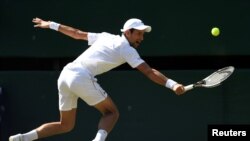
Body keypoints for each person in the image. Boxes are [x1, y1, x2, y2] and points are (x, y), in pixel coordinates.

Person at [9, 17, 185, 141]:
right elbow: (148, 71)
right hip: (80, 76)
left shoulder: (106, 36)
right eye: (139, 33)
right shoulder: (127, 49)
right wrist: (172, 84)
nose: (142, 38)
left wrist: (52, 24)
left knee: (66, 125)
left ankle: (23, 138)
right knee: (112, 113)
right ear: (129, 32)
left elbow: (77, 33)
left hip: (65, 74)